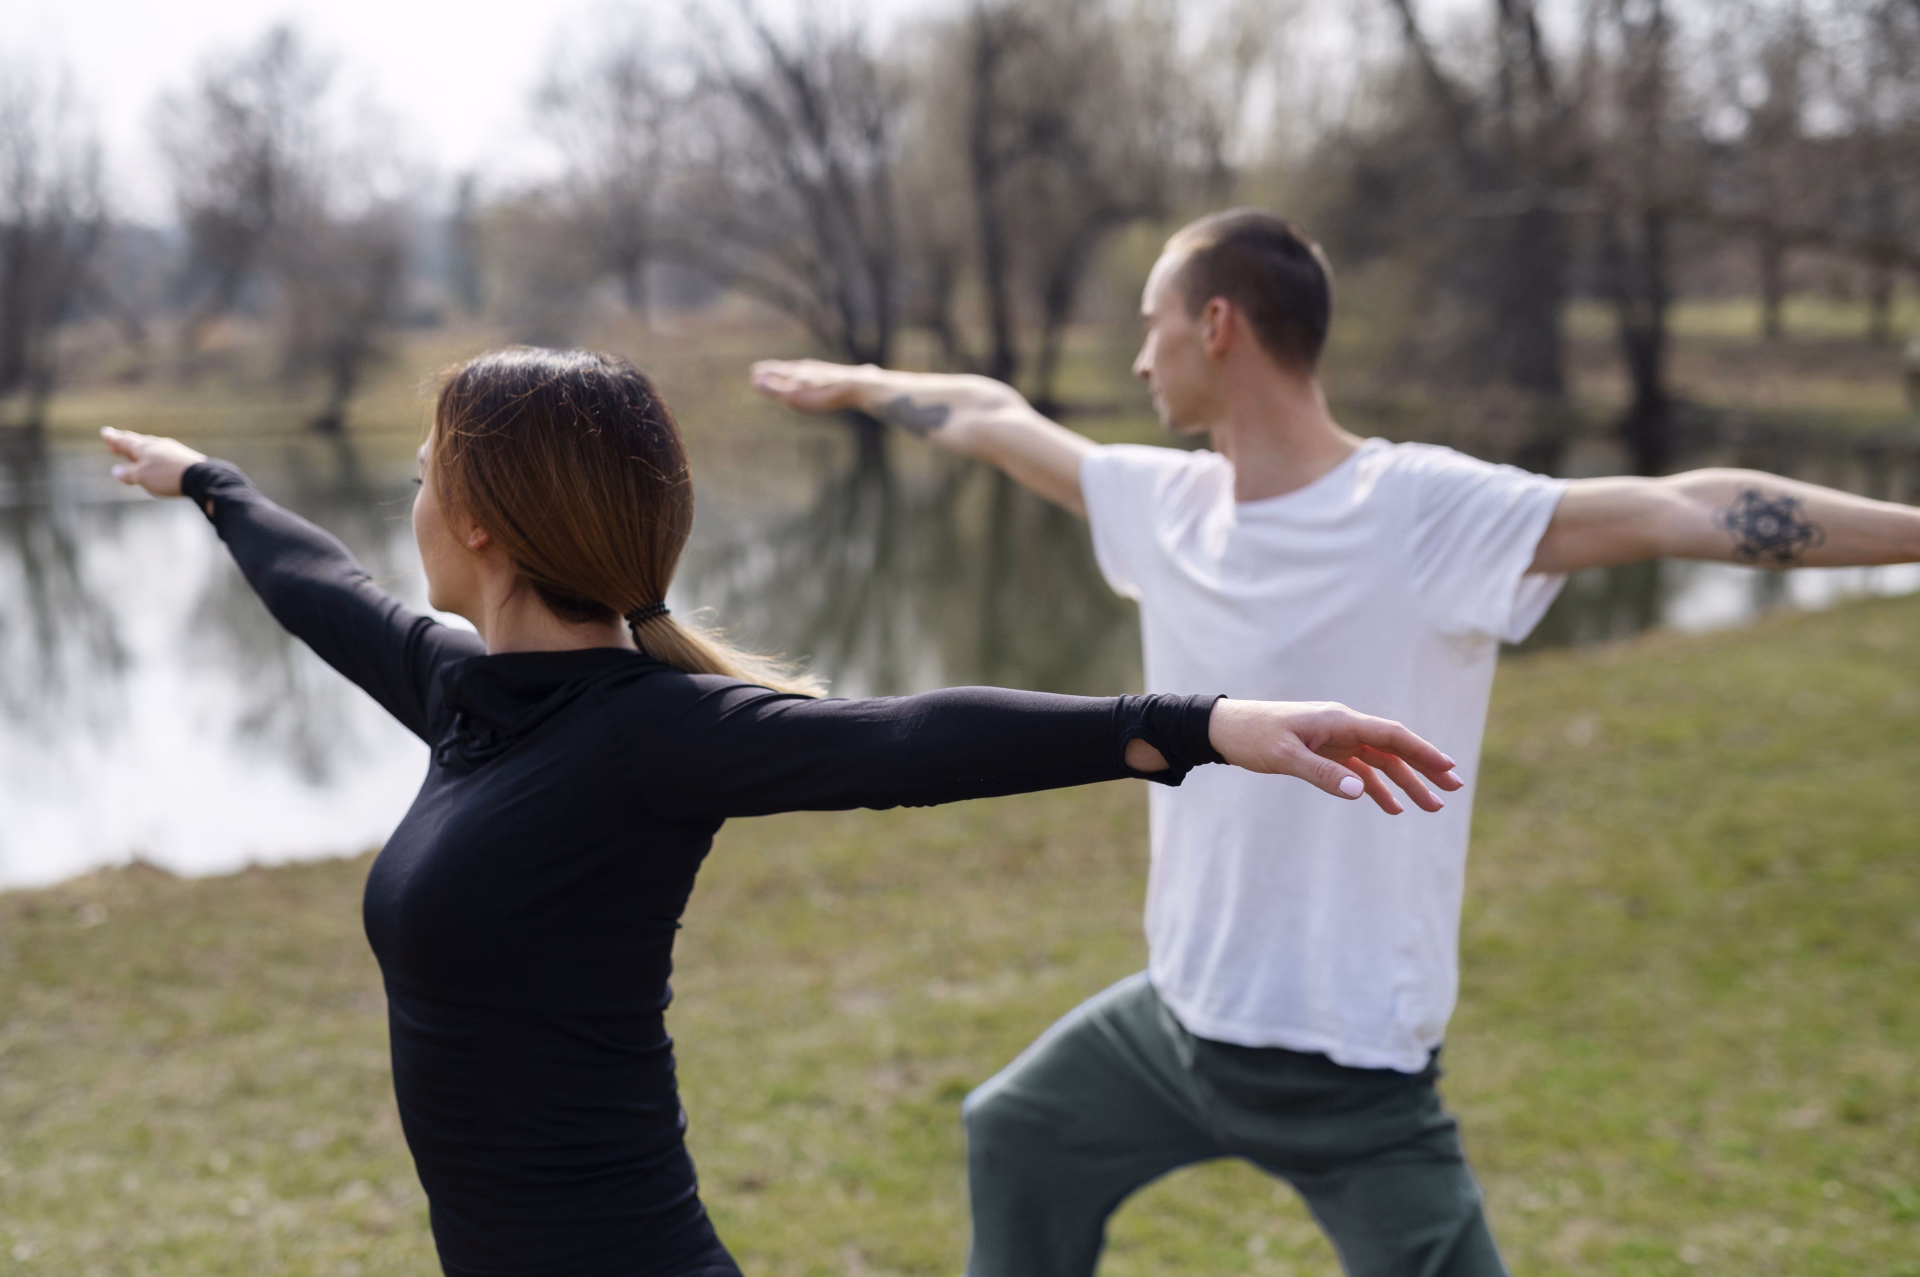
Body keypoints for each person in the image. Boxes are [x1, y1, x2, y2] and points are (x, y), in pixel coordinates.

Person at [99, 347, 1462, 1277]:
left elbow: (903, 741)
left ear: (482, 526)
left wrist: (1200, 724)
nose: (411, 500)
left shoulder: (651, 735)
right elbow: (321, 589)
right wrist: (210, 483)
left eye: (422, 472)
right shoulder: (467, 691)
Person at [750, 209, 1920, 1277]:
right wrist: (860, 381)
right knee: (1016, 1130)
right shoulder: (1165, 507)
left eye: (1153, 328)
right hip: (1179, 1021)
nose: (1140, 361)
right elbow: (996, 418)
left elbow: (1688, 507)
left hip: (1346, 1062)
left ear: (1218, 325)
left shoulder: (1421, 511)